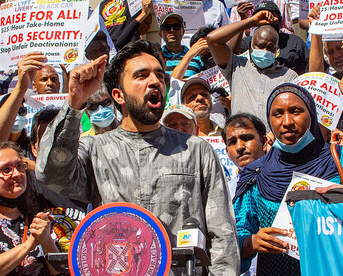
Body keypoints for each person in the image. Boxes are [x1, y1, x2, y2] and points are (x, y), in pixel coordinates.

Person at [35, 40, 240, 275]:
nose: (155, 81)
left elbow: (222, 234)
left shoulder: (196, 150)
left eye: (160, 76)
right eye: (141, 76)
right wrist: (74, 103)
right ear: (118, 95)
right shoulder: (95, 149)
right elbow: (50, 174)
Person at [233, 83, 342, 275]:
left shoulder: (338, 160)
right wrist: (252, 242)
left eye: (296, 111)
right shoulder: (256, 174)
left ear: (312, 115)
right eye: (277, 114)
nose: (287, 121)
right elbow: (237, 234)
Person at [0, 141, 60, 275]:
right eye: (6, 169)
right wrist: (29, 245)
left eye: (20, 167)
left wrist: (46, 240)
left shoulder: (36, 219)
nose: (16, 174)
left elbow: (61, 273)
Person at [207, 11, 298, 129]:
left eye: (270, 48)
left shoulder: (289, 76)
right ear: (251, 46)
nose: (264, 50)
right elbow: (213, 39)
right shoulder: (237, 67)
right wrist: (250, 22)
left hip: (273, 142)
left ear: (277, 50)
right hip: (240, 139)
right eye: (260, 46)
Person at [239, 1, 309, 75]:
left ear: (279, 19)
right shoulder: (248, 42)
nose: (268, 19)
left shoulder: (295, 42)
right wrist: (245, 22)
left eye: (272, 15)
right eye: (262, 17)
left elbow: (310, 69)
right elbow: (231, 57)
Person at [221, 113, 267, 197]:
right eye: (232, 142)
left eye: (246, 138)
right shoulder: (225, 194)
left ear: (263, 142)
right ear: (227, 153)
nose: (239, 147)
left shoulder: (283, 180)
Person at [159, 12, 205, 78]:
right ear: (160, 33)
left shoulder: (197, 57)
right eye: (167, 27)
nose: (172, 30)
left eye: (176, 27)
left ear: (183, 31)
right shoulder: (156, 58)